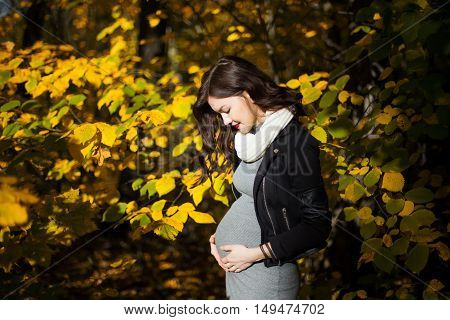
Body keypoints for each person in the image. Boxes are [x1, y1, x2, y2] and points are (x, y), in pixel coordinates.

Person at [192, 55, 331, 299]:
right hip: (240, 274)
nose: (225, 121)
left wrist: (255, 253)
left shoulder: (294, 143)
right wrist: (220, 238)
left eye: (226, 110)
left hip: (267, 276)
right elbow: (255, 203)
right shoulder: (247, 139)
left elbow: (317, 225)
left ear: (246, 92)